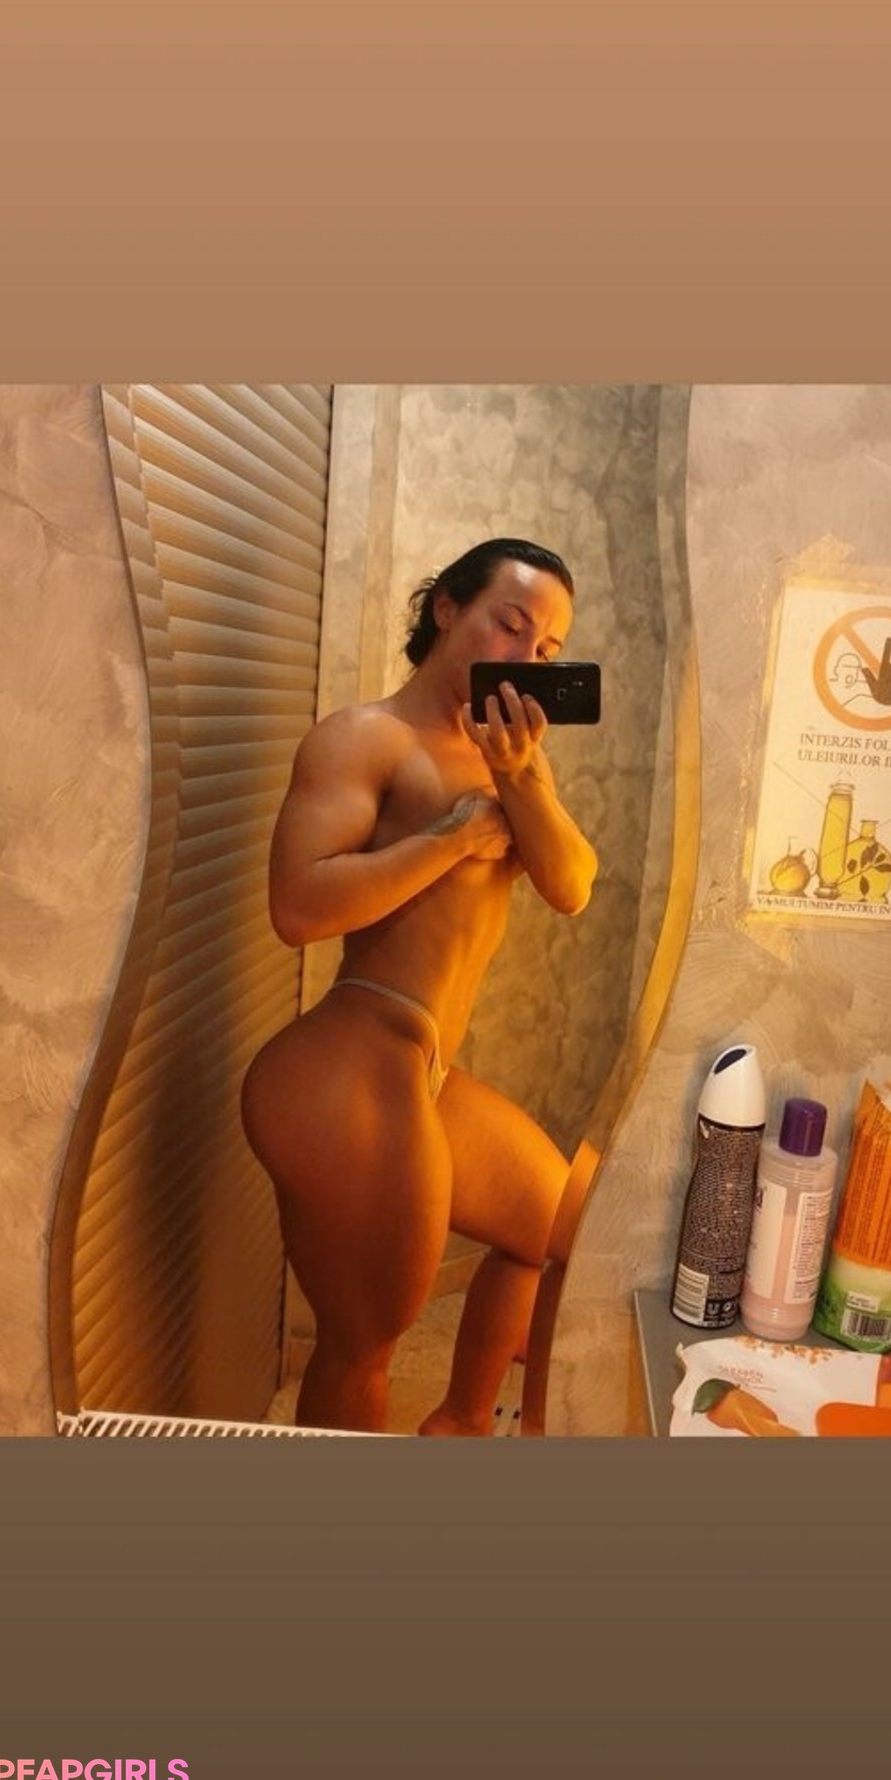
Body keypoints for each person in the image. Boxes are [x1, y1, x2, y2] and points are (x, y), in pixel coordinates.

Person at [240, 538, 599, 1434]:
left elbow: (571, 884)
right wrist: (448, 840)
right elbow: (297, 904)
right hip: (350, 1063)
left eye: (548, 649)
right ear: (447, 609)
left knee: (562, 1226)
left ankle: (462, 1424)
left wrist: (520, 777)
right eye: (510, 625)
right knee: (364, 1341)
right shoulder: (365, 738)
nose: (525, 656)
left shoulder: (513, 756)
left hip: (423, 1069)